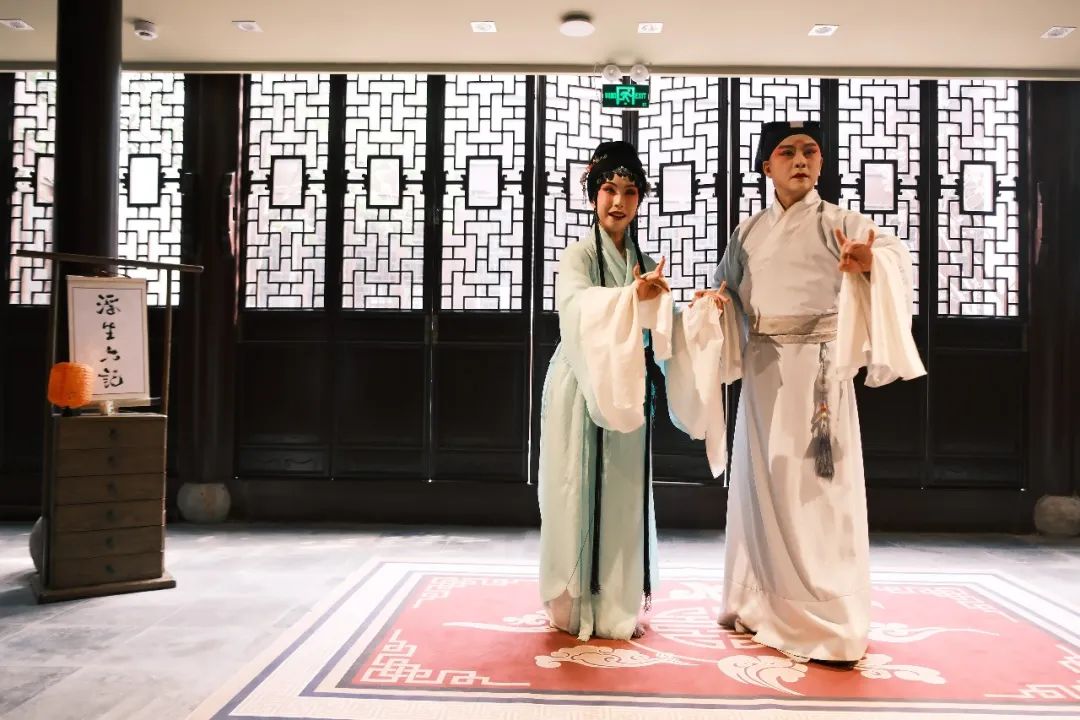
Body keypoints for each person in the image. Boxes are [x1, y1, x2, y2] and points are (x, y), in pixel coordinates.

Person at [700, 120, 926, 665]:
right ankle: (759, 600)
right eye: (787, 152)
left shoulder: (840, 222)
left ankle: (829, 615)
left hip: (820, 374)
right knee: (764, 483)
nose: (800, 160)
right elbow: (727, 291)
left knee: (817, 489)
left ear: (821, 164)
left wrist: (869, 265)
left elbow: (894, 257)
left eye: (810, 152)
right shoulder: (748, 231)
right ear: (766, 166)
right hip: (764, 373)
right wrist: (714, 306)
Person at [537, 140, 736, 641]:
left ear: (641, 199)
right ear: (593, 194)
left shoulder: (642, 259)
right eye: (609, 189)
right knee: (575, 487)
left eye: (630, 192)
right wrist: (633, 297)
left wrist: (697, 313)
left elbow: (660, 325)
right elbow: (576, 309)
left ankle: (617, 603)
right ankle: (574, 604)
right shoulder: (578, 256)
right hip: (580, 388)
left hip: (627, 390)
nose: (618, 202)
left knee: (624, 492)